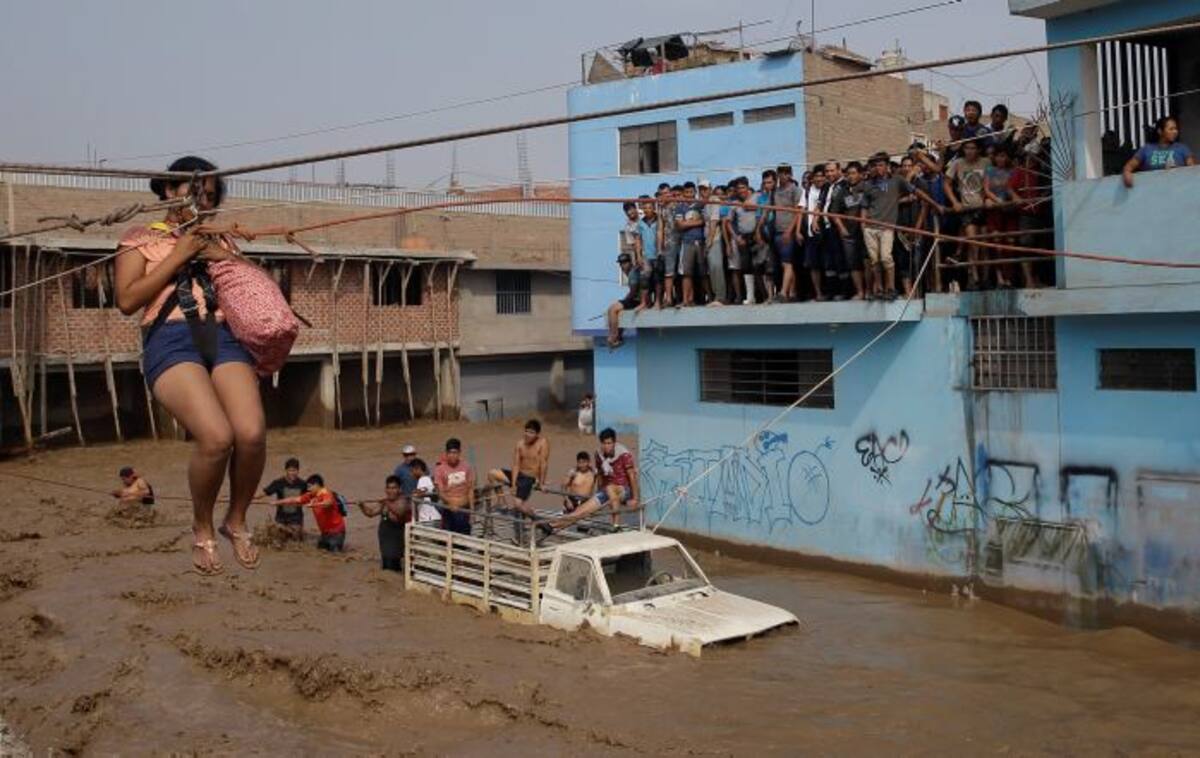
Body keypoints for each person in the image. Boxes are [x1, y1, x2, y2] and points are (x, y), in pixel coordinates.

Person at [114, 155, 263, 576]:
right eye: (193, 191)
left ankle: (235, 520)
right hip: (170, 338)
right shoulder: (140, 237)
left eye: (210, 196)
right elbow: (127, 300)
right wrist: (179, 254)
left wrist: (222, 254)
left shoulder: (222, 239)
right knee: (216, 437)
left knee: (250, 433)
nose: (202, 201)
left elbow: (255, 286)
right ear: (167, 191)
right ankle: (202, 527)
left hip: (223, 335)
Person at [860, 153, 942, 300]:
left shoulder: (897, 180)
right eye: (874, 165)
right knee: (874, 260)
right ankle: (878, 288)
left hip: (886, 226)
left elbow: (917, 192)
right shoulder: (868, 184)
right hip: (870, 227)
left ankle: (890, 288)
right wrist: (863, 224)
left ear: (887, 166)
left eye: (880, 165)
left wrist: (934, 204)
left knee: (886, 258)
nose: (877, 168)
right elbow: (864, 207)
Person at [544, 428, 639, 533]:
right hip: (606, 491)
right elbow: (600, 475)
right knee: (581, 510)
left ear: (614, 443)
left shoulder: (624, 454)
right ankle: (552, 525)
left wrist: (635, 498)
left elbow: (632, 476)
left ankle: (615, 525)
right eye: (604, 443)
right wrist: (598, 493)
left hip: (623, 489)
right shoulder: (598, 454)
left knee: (610, 488)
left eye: (609, 443)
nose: (606, 446)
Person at [944, 139, 992, 291]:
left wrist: (989, 197)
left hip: (983, 207)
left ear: (978, 150)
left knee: (985, 245)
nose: (969, 151)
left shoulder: (986, 162)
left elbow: (991, 182)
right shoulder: (957, 163)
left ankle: (985, 278)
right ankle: (974, 277)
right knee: (973, 243)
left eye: (973, 148)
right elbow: (946, 183)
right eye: (967, 148)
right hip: (967, 208)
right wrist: (954, 202)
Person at [489, 419, 550, 517]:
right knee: (492, 474)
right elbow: (516, 465)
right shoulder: (520, 444)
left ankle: (538, 521)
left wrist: (542, 483)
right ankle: (503, 503)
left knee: (517, 504)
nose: (528, 434)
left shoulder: (543, 442)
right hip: (519, 476)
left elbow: (543, 463)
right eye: (526, 431)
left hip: (529, 478)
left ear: (537, 434)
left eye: (531, 432)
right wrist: (513, 485)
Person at [274, 474, 345, 553]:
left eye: (310, 487)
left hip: (336, 532)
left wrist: (314, 504)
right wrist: (277, 502)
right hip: (325, 533)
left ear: (317, 485)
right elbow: (295, 499)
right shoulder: (311, 495)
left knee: (335, 555)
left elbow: (327, 503)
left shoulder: (326, 493)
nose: (308, 489)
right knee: (321, 552)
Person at [828, 161, 866, 300]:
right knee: (853, 263)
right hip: (849, 234)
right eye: (848, 174)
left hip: (866, 231)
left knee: (867, 262)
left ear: (861, 174)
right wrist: (842, 228)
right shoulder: (842, 191)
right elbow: (833, 212)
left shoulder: (866, 187)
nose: (851, 176)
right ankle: (860, 292)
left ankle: (871, 291)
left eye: (854, 173)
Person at [1123, 116, 1195, 188]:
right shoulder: (1146, 149)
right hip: (1152, 191)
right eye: (1171, 129)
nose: (1175, 132)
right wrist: (1127, 173)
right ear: (1160, 131)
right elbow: (1129, 166)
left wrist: (1178, 170)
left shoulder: (1182, 148)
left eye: (1176, 129)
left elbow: (1192, 171)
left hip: (1177, 189)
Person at [983, 145, 1019, 289]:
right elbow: (986, 189)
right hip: (995, 210)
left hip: (1009, 211)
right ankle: (999, 278)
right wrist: (997, 201)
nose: (1001, 159)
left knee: (1010, 244)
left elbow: (1014, 190)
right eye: (998, 156)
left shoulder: (1012, 171)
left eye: (1003, 156)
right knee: (996, 244)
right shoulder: (990, 171)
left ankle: (1008, 278)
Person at [358, 475, 408, 571]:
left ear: (399, 489)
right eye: (388, 488)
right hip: (384, 541)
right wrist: (362, 506)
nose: (390, 491)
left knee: (393, 566)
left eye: (394, 488)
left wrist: (387, 503)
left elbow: (400, 512)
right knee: (385, 565)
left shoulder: (402, 501)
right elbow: (371, 513)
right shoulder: (384, 502)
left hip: (396, 542)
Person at [724, 177, 757, 305]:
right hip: (743, 237)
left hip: (756, 236)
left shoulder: (757, 197)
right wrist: (736, 237)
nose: (741, 191)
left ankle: (766, 295)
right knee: (747, 267)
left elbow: (764, 210)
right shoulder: (735, 203)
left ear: (748, 187)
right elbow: (727, 222)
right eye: (738, 189)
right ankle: (750, 297)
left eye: (743, 188)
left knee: (760, 266)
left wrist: (751, 207)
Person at [674, 182, 707, 307]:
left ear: (695, 192)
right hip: (686, 242)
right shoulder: (680, 207)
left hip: (701, 242)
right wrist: (697, 222)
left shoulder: (700, 206)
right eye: (686, 192)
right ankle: (687, 300)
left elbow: (705, 221)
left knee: (704, 272)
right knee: (686, 273)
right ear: (683, 193)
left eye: (691, 192)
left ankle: (708, 297)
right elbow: (679, 225)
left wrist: (688, 223)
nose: (689, 195)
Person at [773, 165, 802, 302]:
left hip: (788, 230)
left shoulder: (795, 190)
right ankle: (792, 292)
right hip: (777, 230)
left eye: (785, 174)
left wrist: (790, 231)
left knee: (787, 263)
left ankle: (783, 292)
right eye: (780, 174)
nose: (782, 176)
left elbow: (798, 212)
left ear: (790, 175)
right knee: (785, 264)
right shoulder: (776, 191)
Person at [434, 438, 475, 534]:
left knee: (465, 537)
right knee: (451, 538)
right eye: (450, 453)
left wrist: (472, 512)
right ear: (446, 453)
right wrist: (451, 502)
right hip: (449, 510)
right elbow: (440, 492)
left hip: (465, 509)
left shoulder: (467, 467)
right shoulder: (440, 469)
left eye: (455, 453)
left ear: (460, 453)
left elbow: (471, 490)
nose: (453, 456)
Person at [261, 457, 305, 541]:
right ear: (286, 471)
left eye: (295, 470)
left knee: (296, 539)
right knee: (278, 537)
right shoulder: (278, 483)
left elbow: (314, 495)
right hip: (281, 518)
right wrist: (247, 498)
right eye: (290, 470)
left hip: (296, 519)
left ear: (298, 471)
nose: (292, 473)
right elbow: (264, 493)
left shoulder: (303, 484)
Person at [802, 165, 829, 301]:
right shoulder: (807, 191)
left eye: (821, 176)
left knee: (827, 263)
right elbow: (801, 211)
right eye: (816, 176)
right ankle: (818, 293)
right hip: (810, 233)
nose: (819, 179)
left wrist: (816, 219)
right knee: (813, 265)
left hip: (827, 231)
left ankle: (829, 292)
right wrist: (797, 231)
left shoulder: (828, 189)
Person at [606, 253, 642, 348]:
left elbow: (633, 292)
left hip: (636, 301)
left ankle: (614, 336)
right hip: (635, 299)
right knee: (614, 309)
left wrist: (625, 300)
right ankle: (618, 336)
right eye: (621, 263)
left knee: (613, 309)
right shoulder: (631, 272)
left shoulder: (632, 273)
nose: (622, 266)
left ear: (629, 263)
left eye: (624, 263)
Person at [700, 181, 727, 303]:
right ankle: (718, 296)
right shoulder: (705, 204)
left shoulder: (713, 200)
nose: (703, 191)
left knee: (716, 267)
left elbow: (714, 221)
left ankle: (720, 297)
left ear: (710, 189)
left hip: (714, 238)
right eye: (701, 189)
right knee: (712, 268)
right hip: (708, 239)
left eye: (705, 189)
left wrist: (710, 240)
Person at [637, 195, 663, 308]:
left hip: (657, 254)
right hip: (646, 256)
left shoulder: (659, 220)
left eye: (650, 207)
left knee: (657, 278)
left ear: (654, 208)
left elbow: (662, 234)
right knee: (644, 279)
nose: (647, 209)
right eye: (645, 208)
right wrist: (638, 255)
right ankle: (643, 302)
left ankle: (658, 301)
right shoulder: (640, 223)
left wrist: (660, 250)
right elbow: (638, 239)